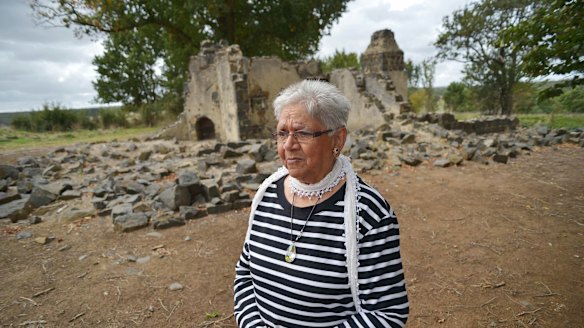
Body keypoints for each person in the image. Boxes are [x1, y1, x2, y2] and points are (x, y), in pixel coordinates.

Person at [233, 80, 409, 328]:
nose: (288, 145)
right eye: (282, 133)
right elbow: (245, 273)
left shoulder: (369, 214)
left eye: (303, 133)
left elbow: (387, 314)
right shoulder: (266, 195)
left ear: (338, 139)